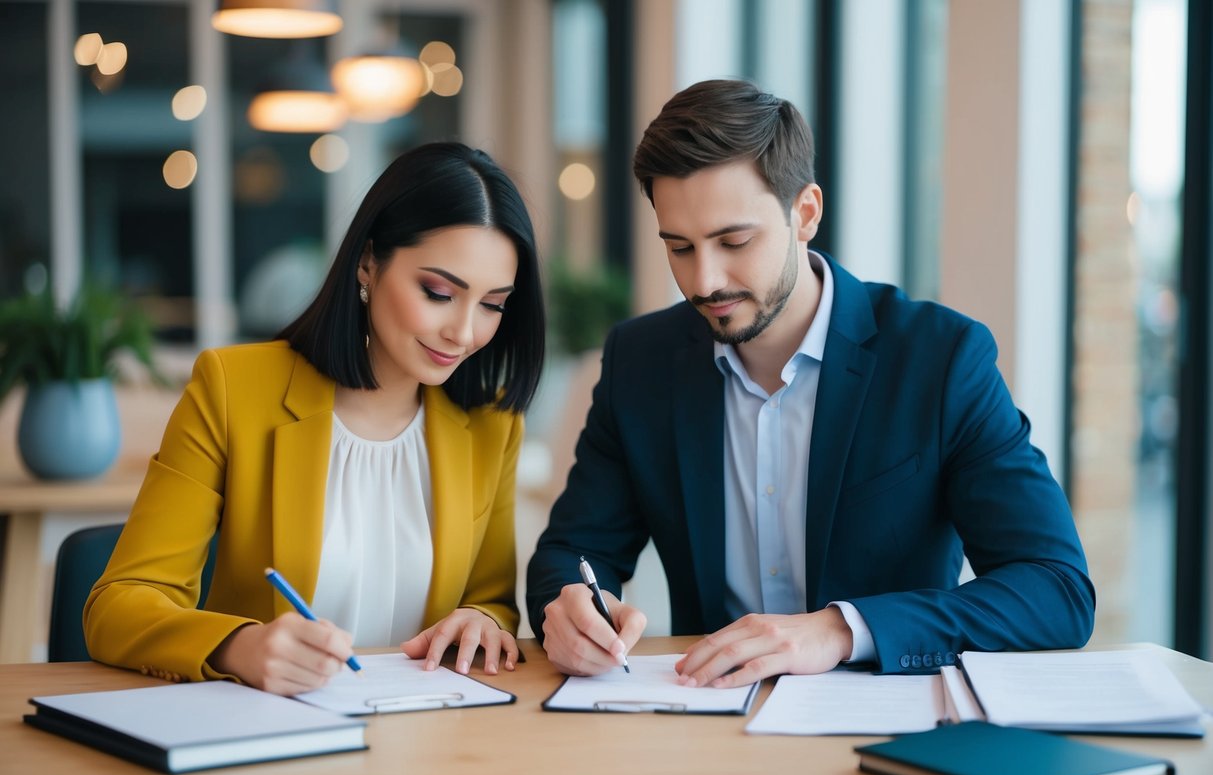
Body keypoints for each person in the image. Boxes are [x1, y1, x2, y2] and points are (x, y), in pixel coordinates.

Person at [526, 80, 1095, 688]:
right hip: (708, 721)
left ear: (806, 213)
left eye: (734, 241)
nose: (705, 280)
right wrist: (570, 607)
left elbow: (1056, 588)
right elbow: (572, 551)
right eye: (680, 248)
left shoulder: (939, 358)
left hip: (889, 725)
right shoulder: (640, 361)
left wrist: (841, 629)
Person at [86, 142, 545, 695]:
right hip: (269, 736)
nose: (465, 332)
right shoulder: (235, 390)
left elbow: (490, 598)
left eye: (493, 304)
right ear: (368, 263)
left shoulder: (492, 424)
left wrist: (484, 621)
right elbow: (119, 605)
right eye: (439, 292)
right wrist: (239, 646)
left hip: (429, 741)